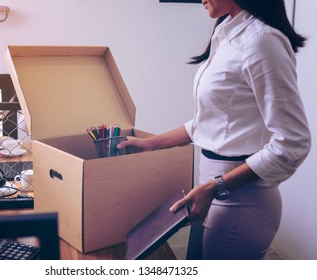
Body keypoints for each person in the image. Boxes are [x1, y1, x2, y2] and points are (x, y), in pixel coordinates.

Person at [118, 0, 311, 260]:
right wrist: (149, 144)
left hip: (241, 199)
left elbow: (292, 143)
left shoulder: (262, 41)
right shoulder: (228, 33)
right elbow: (207, 123)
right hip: (210, 189)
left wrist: (217, 185)